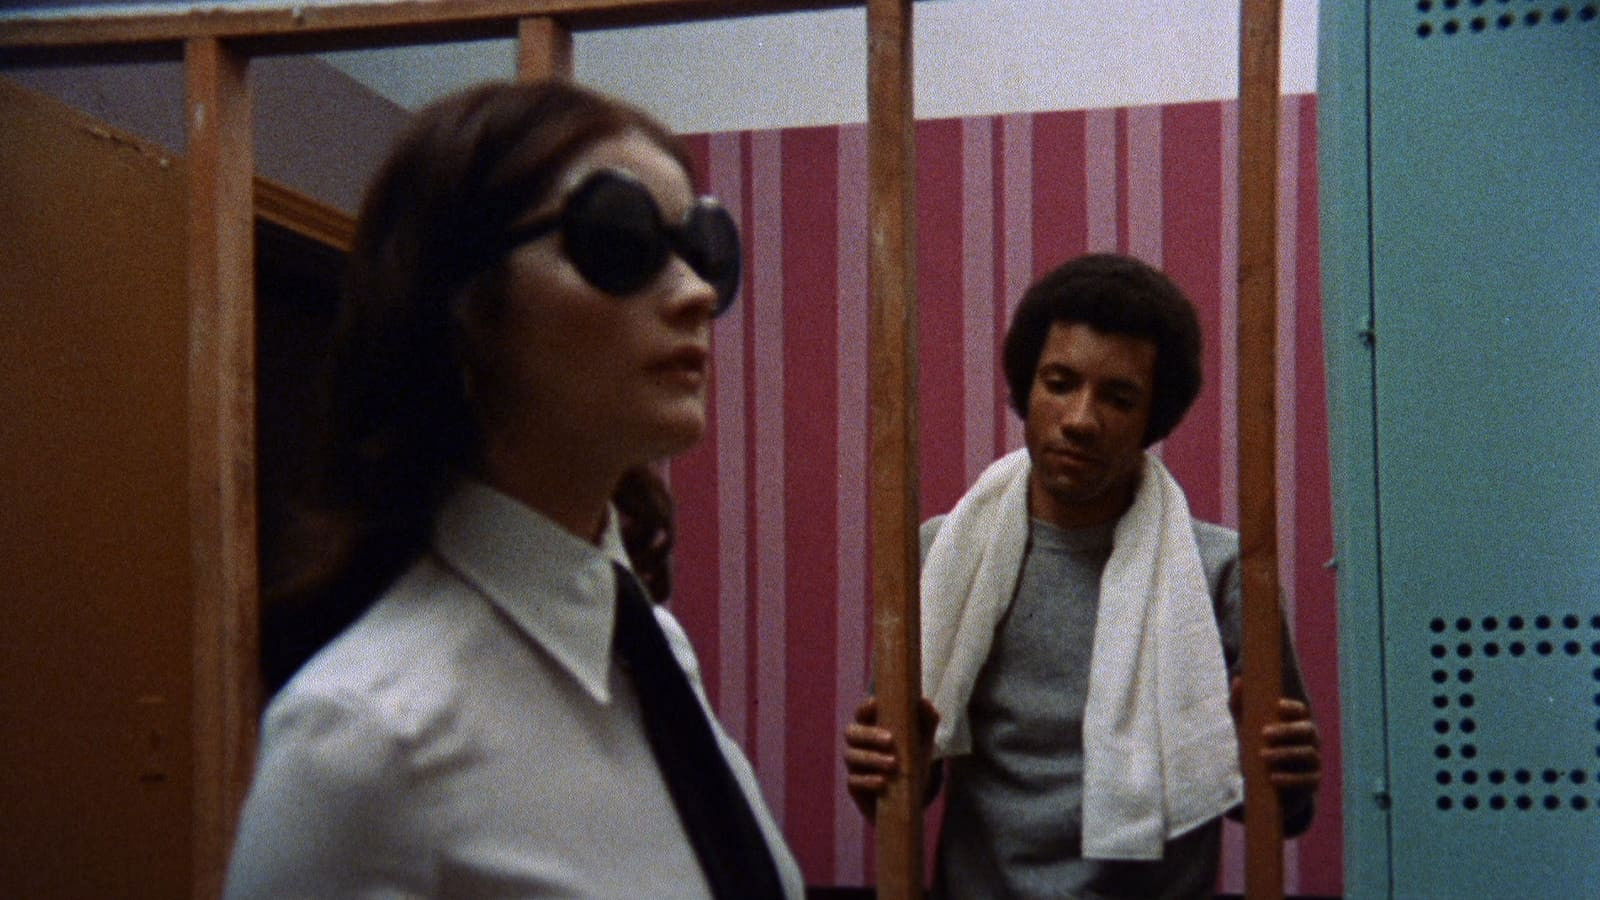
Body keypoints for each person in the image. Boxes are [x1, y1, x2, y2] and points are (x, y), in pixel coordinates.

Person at [227, 79, 802, 898]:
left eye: (704, 248)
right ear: (462, 303)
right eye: (621, 237)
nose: (697, 293)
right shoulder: (366, 739)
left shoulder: (652, 651)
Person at [842, 253, 1320, 898]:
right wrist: (879, 772)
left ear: (1153, 417)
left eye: (1118, 398)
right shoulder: (943, 551)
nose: (1080, 420)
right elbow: (902, 786)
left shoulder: (1224, 573)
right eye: (1060, 383)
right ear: (1026, 389)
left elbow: (1279, 811)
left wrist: (1282, 777)